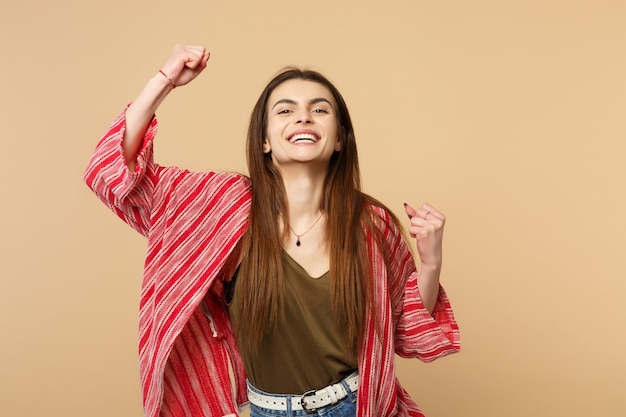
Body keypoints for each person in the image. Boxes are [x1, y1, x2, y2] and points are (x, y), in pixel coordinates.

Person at [84, 44, 460, 417]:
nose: (304, 118)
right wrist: (164, 80)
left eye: (319, 109)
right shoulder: (223, 208)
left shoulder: (371, 223)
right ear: (264, 140)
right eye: (285, 110)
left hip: (357, 407)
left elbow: (407, 329)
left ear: (340, 139)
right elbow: (113, 171)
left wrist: (430, 263)